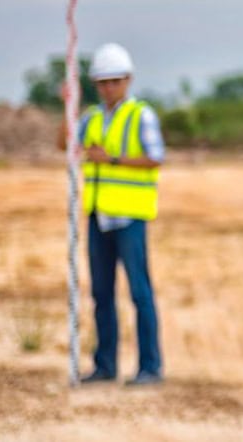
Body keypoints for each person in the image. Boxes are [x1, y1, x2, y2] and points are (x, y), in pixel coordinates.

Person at [57, 42, 164, 386]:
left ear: (128, 80)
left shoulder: (141, 115)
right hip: (98, 215)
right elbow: (65, 144)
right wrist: (67, 107)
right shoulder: (90, 117)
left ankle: (150, 366)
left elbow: (155, 156)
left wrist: (112, 160)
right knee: (101, 293)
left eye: (114, 81)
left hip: (130, 217)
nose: (108, 88)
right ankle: (105, 365)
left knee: (139, 293)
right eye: (102, 82)